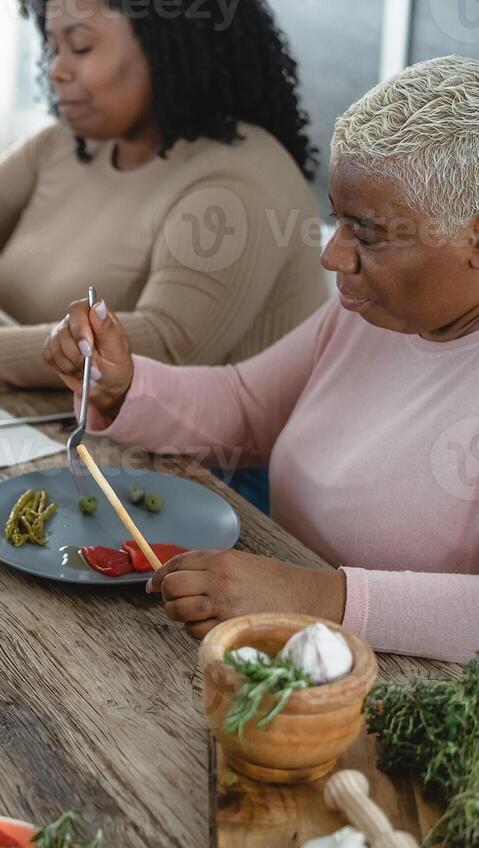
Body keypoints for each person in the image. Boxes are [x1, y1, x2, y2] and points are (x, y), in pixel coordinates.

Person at [41, 57, 479, 661]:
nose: (333, 256)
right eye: (338, 218)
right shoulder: (373, 313)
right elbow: (250, 407)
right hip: (274, 651)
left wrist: (317, 598)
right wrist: (124, 384)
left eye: (368, 234)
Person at [0, 0, 329, 392]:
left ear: (169, 44)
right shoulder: (73, 141)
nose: (57, 69)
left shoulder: (236, 184)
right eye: (52, 45)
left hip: (201, 475)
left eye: (79, 46)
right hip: (45, 416)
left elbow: (166, 344)